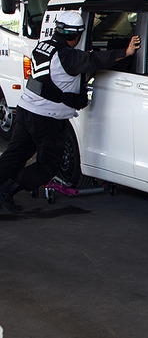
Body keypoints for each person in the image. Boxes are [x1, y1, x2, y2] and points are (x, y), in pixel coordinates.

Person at [0, 11, 140, 213]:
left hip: (26, 110)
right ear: (76, 35)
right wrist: (124, 52)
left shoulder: (44, 47)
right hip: (47, 119)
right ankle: (6, 190)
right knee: (48, 166)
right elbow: (93, 60)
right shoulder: (67, 56)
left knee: (14, 155)